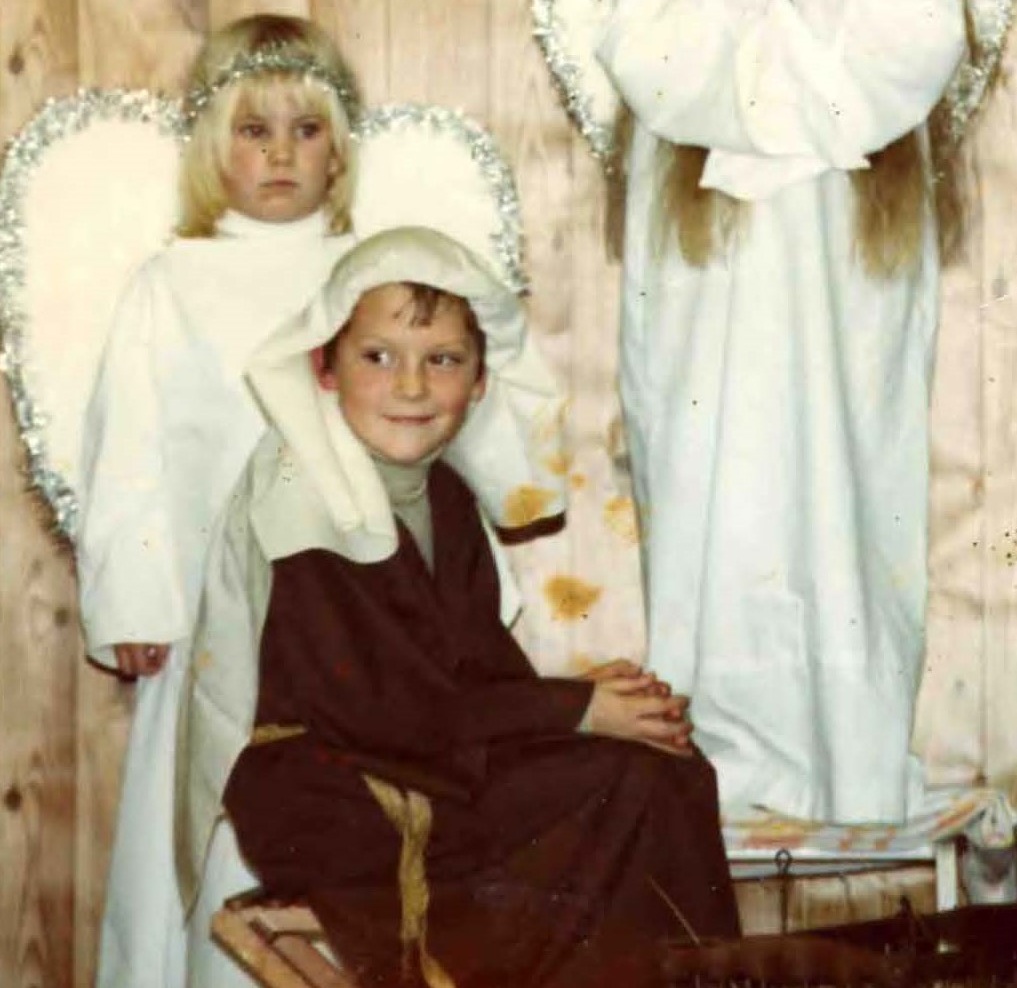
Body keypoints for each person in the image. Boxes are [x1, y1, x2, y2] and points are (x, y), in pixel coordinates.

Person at [595, 0, 981, 823]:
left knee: (841, 508)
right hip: (713, 280)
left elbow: (921, 44)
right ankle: (718, 793)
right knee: (721, 497)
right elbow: (648, 56)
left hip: (842, 274)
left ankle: (850, 782)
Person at [178, 227, 740, 988]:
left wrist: (590, 700)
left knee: (663, 768)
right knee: (626, 783)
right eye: (378, 357)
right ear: (324, 367)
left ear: (479, 382)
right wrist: (574, 710)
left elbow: (471, 670)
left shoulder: (441, 493)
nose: (411, 387)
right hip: (331, 793)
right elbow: (370, 705)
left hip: (414, 761)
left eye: (441, 360)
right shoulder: (300, 494)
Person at [79, 13, 361, 988]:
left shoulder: (367, 277)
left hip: (352, 635)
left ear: (339, 150)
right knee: (199, 833)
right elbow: (131, 449)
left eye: (305, 129)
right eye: (254, 129)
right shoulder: (173, 283)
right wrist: (134, 601)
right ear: (213, 148)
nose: (281, 153)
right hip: (206, 621)